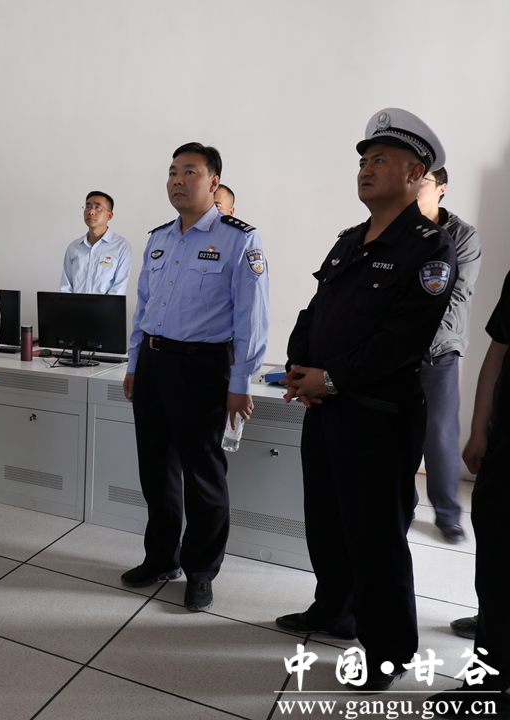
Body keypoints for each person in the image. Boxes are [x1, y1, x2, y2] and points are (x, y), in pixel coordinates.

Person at [276, 108, 456, 693]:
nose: (366, 168)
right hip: (326, 408)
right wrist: (300, 367)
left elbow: (400, 341)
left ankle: (388, 649)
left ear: (415, 174)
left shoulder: (430, 249)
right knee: (327, 521)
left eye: (380, 160)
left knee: (375, 535)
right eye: (364, 160)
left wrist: (330, 378)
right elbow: (315, 312)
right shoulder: (350, 240)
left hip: (377, 417)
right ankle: (334, 609)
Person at [121, 143, 270, 612]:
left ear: (213, 182)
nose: (177, 180)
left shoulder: (239, 239)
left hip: (203, 369)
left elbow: (252, 319)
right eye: (172, 172)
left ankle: (201, 570)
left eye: (189, 172)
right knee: (156, 470)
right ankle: (161, 558)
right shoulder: (159, 238)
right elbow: (143, 308)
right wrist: (133, 364)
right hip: (153, 363)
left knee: (203, 476)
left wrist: (240, 383)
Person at [427, 272, 510, 717]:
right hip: (506, 450)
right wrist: (479, 429)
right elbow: (498, 353)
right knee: (496, 569)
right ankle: (488, 681)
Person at [414, 166, 482, 544]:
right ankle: (401, 503)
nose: (415, 186)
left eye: (423, 181)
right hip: (392, 351)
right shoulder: (397, 228)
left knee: (439, 432)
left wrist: (412, 333)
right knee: (395, 432)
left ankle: (447, 515)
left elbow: (457, 296)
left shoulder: (462, 236)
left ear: (441, 188)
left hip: (438, 349)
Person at [59, 191, 131, 294]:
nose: (91, 212)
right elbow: (66, 286)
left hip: (107, 305)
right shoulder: (74, 247)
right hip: (74, 305)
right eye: (88, 207)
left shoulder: (121, 246)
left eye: (97, 207)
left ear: (109, 215)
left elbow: (119, 288)